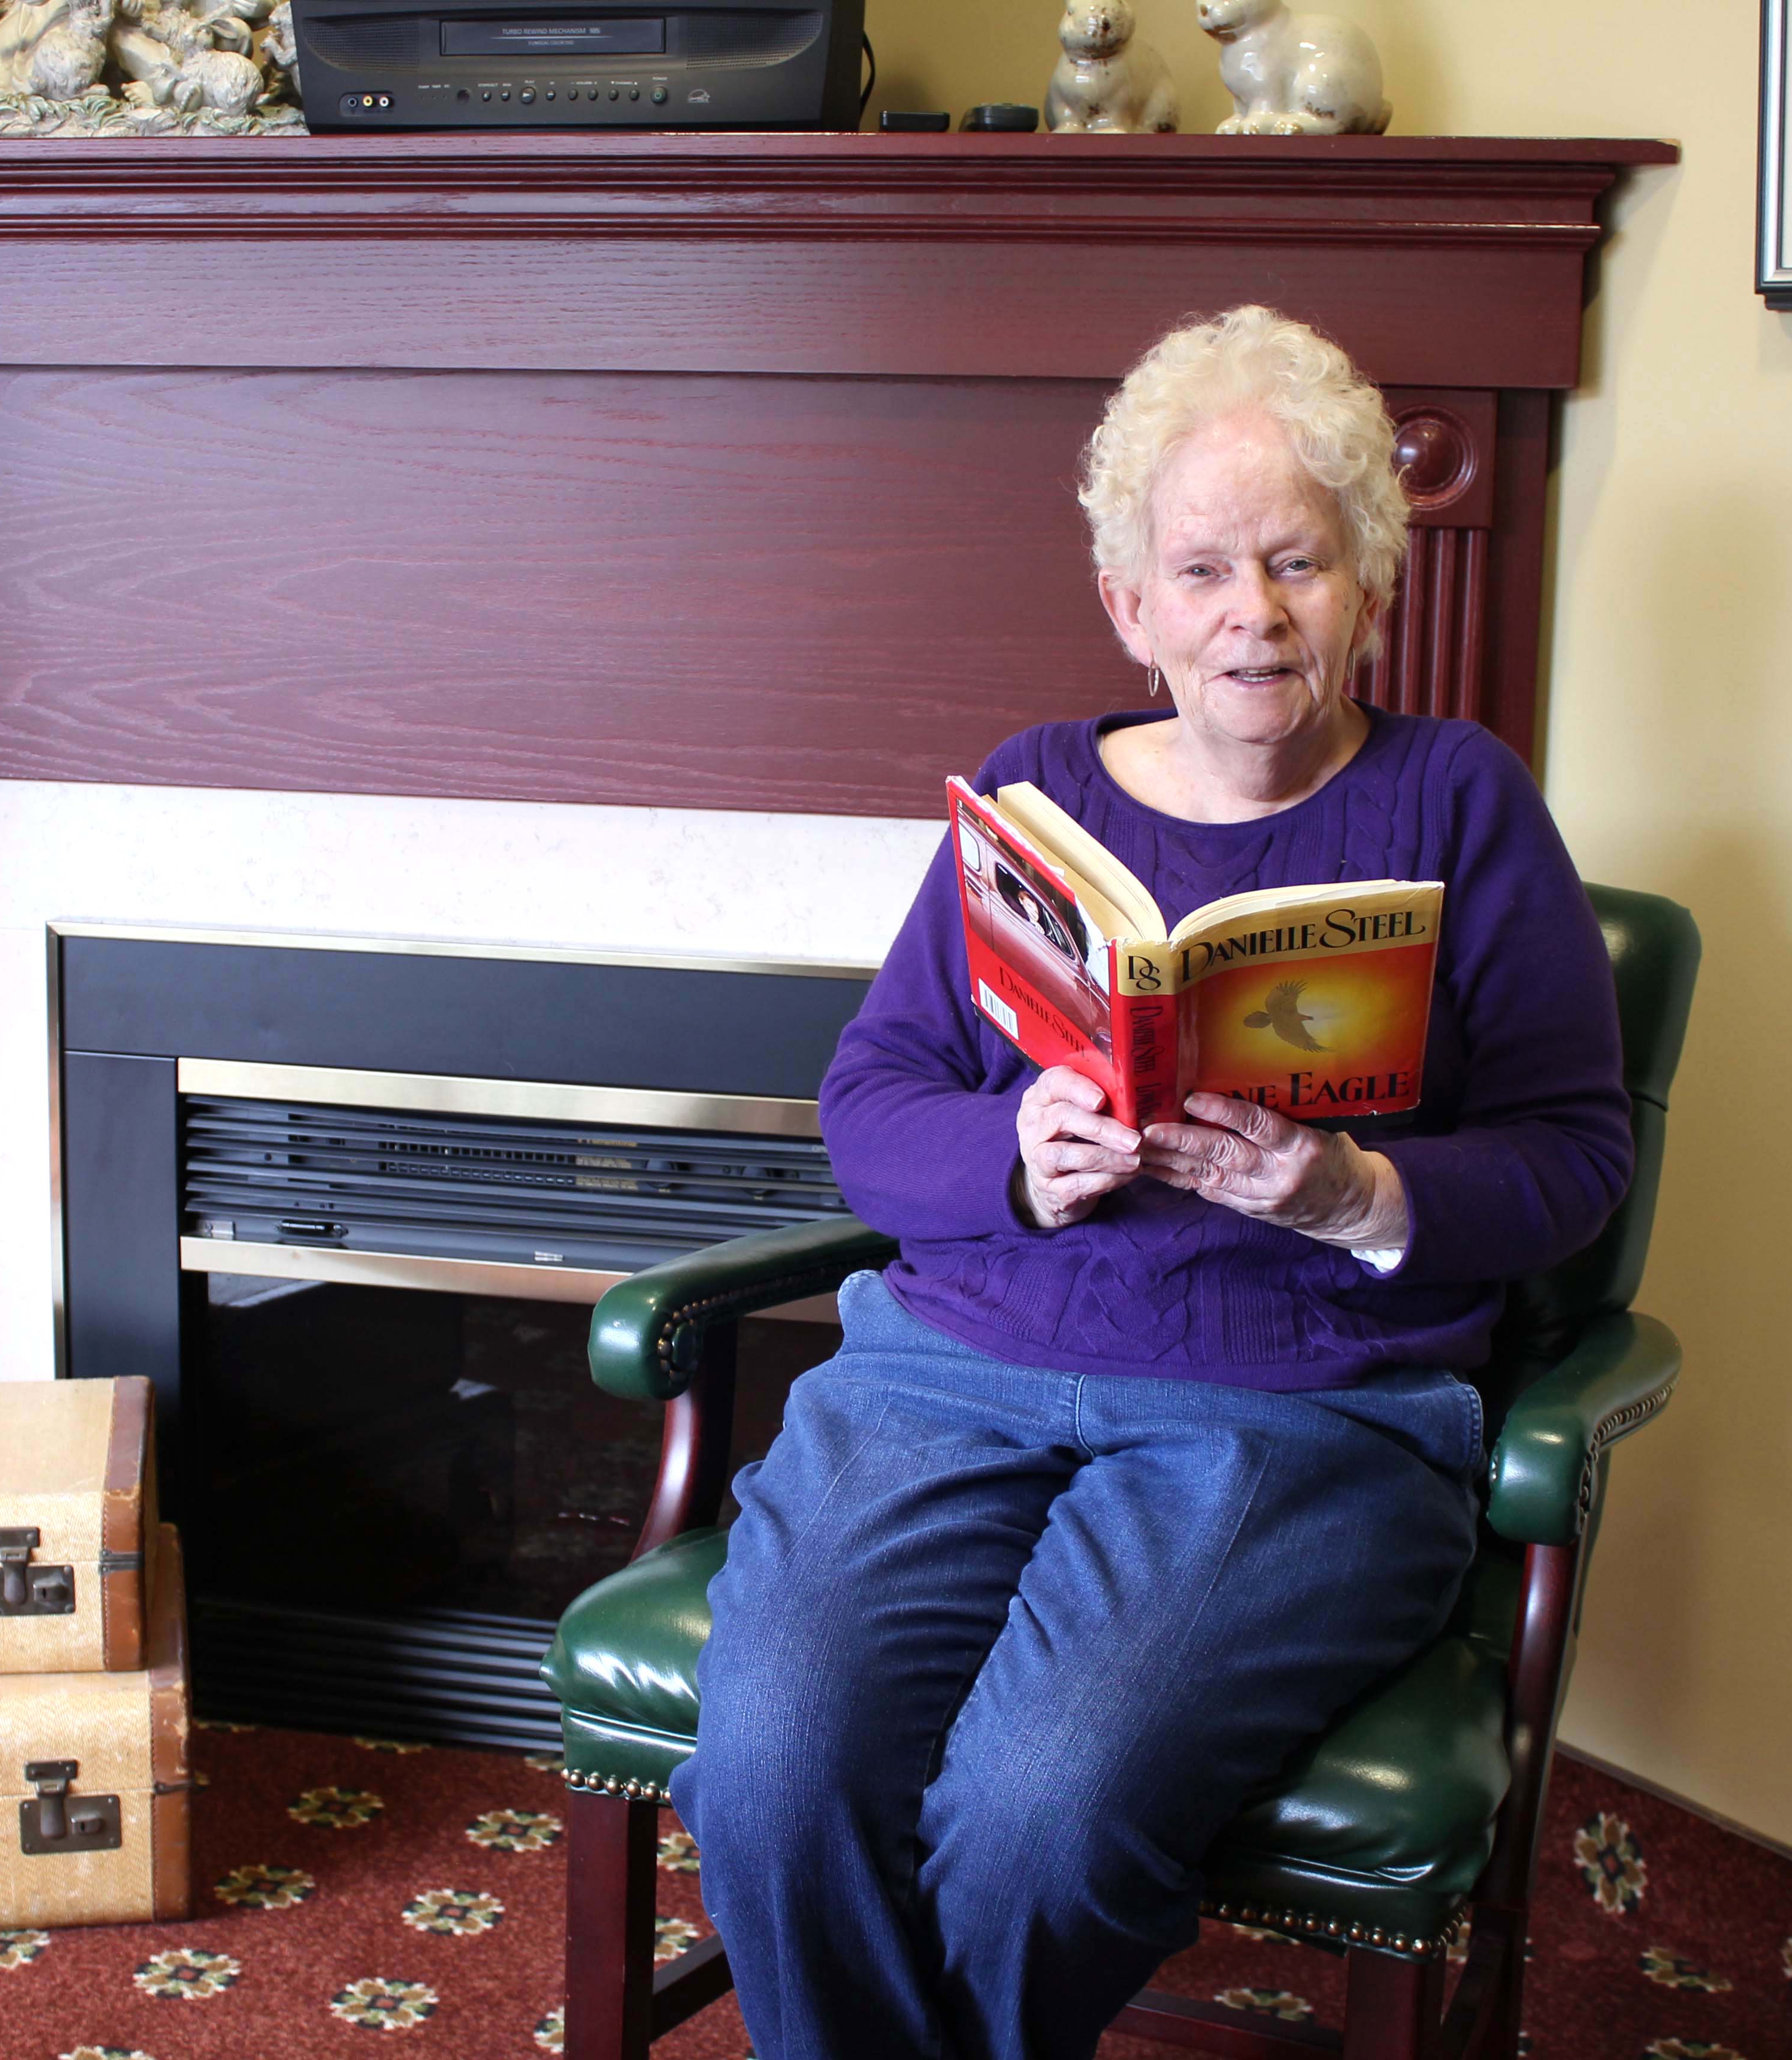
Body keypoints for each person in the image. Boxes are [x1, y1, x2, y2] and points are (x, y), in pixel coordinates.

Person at [668, 306, 1635, 2060]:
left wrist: (1358, 1195)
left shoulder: (1464, 806)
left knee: (1044, 1811)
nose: (1252, 614)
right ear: (1133, 606)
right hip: (954, 1364)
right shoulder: (1035, 797)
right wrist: (1011, 1159)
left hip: (1304, 1411)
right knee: (770, 1765)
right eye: (1201, 568)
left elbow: (1579, 1159)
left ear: (1372, 585)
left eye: (1297, 563)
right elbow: (870, 1100)